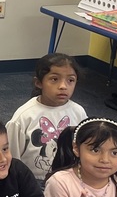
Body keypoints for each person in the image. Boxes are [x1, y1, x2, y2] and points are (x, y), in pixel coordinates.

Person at [6, 53, 87, 181]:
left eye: (70, 80)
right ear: (39, 82)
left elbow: (85, 145)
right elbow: (11, 155)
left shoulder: (78, 112)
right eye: (54, 79)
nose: (63, 86)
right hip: (35, 181)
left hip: (69, 178)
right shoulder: (24, 116)